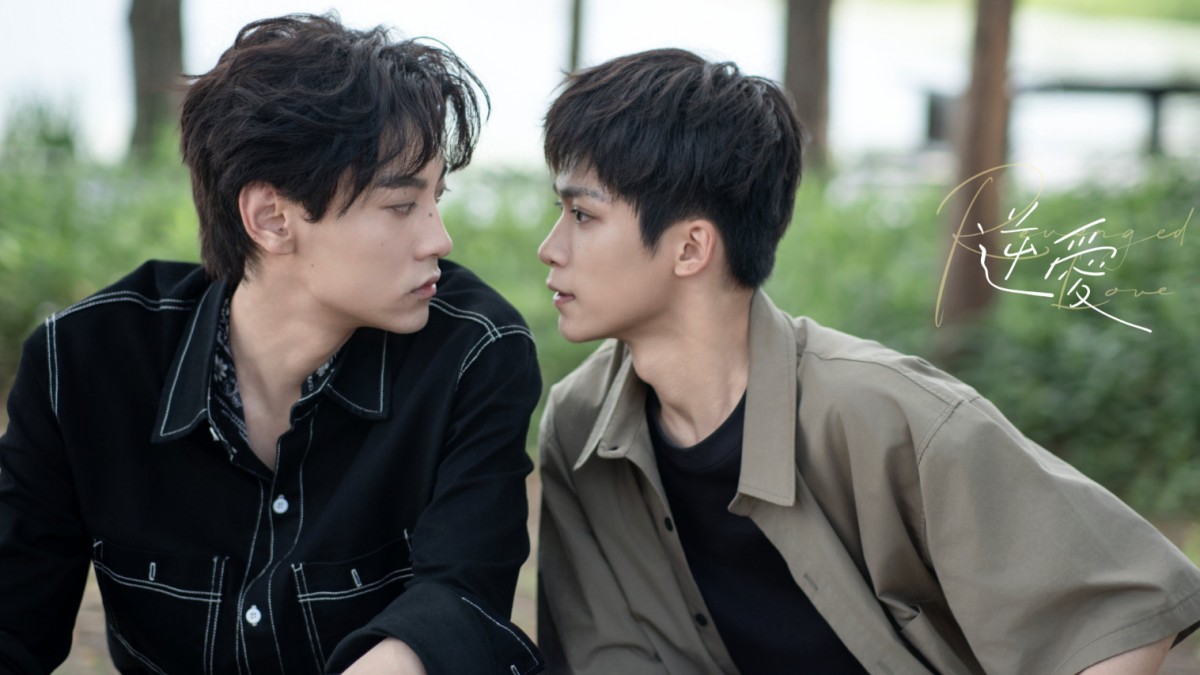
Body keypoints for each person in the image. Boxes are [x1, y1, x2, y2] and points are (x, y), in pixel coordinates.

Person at [534, 48, 1200, 675]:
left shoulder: (884, 413)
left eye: (582, 214)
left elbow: (1130, 612)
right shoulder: (579, 422)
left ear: (690, 249)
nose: (550, 247)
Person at [0, 14, 544, 675]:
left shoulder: (473, 353)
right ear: (271, 218)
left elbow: (462, 600)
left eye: (438, 197)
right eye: (402, 206)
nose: (439, 238)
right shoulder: (84, 363)